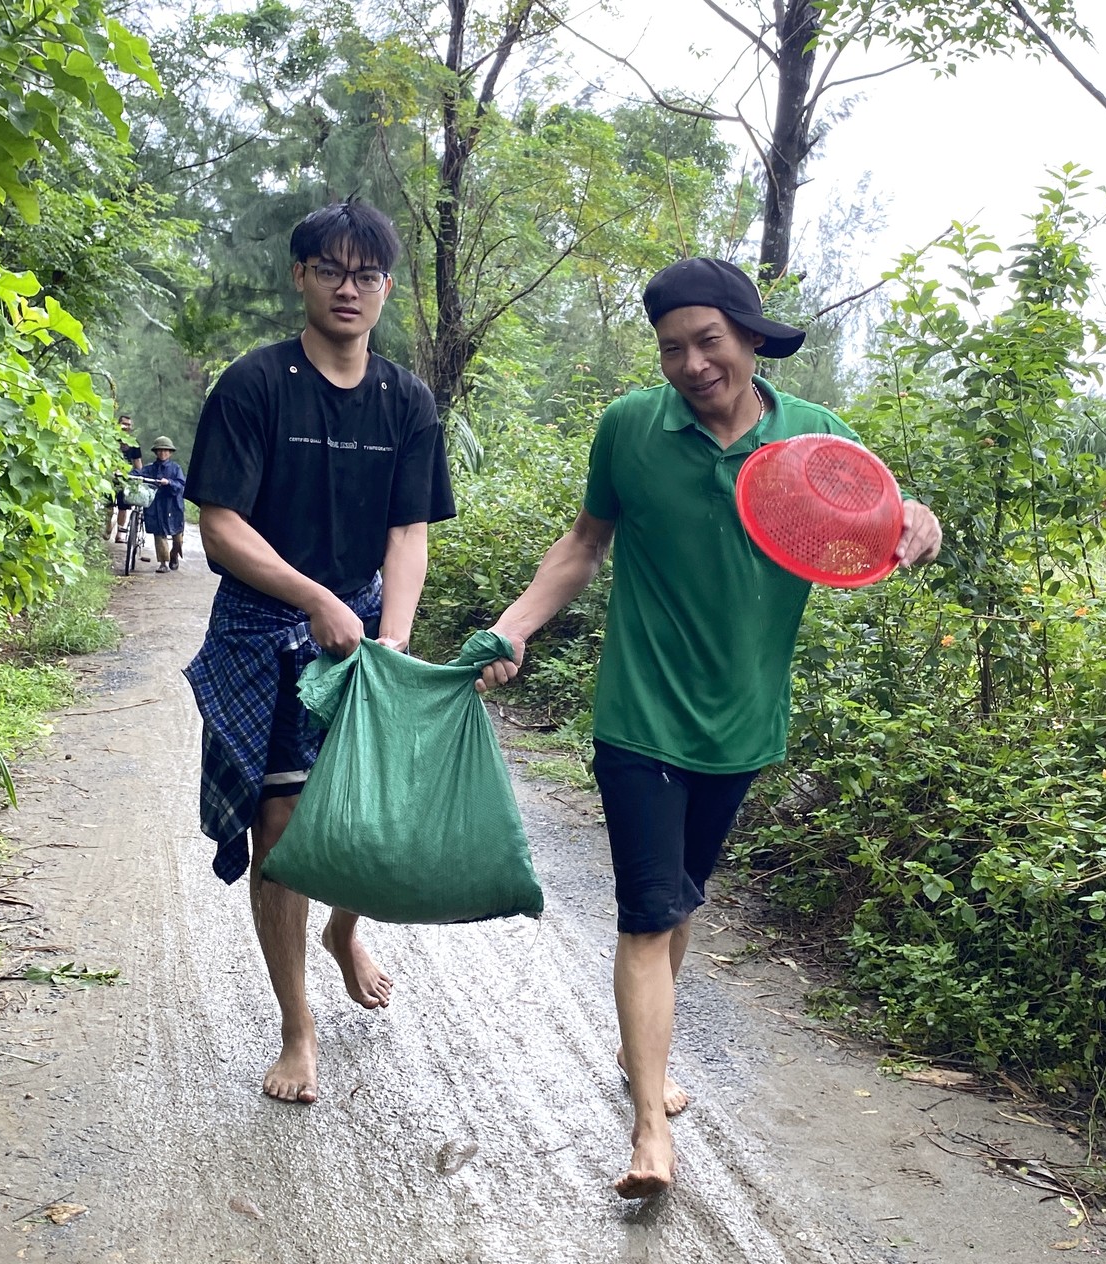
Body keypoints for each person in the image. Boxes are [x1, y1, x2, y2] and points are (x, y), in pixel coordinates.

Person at [475, 258, 943, 1199]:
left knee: (681, 901)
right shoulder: (630, 431)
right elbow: (583, 544)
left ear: (752, 338)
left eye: (708, 341)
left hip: (743, 725)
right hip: (639, 715)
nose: (690, 363)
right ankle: (650, 1127)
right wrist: (514, 626)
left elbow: (886, 521)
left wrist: (919, 518)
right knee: (649, 911)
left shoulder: (818, 440)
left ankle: (640, 1047)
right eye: (672, 348)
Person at [182, 199, 454, 1105]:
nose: (350, 288)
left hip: (365, 627)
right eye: (331, 270)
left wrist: (394, 642)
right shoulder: (256, 385)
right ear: (300, 275)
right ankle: (298, 1029)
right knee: (286, 835)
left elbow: (408, 532)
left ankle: (346, 931)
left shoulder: (408, 400)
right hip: (265, 628)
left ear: (386, 288)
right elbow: (218, 524)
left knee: (367, 817)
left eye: (367, 274)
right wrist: (313, 598)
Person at [139, 437, 187, 572]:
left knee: (178, 537)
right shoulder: (149, 468)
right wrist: (124, 474)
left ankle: (174, 554)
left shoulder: (176, 468)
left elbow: (181, 485)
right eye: (160, 450)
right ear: (156, 452)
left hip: (173, 506)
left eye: (165, 451)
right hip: (156, 506)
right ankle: (163, 563)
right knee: (159, 534)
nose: (162, 453)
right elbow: (138, 474)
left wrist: (169, 483)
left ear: (170, 453)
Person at [110, 414, 144, 544]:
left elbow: (137, 462)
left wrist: (139, 477)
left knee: (123, 508)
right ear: (118, 424)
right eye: (124, 424)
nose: (126, 427)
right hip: (110, 477)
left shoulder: (134, 444)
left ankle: (120, 533)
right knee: (108, 507)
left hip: (125, 478)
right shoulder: (111, 439)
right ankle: (109, 526)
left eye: (129, 425)